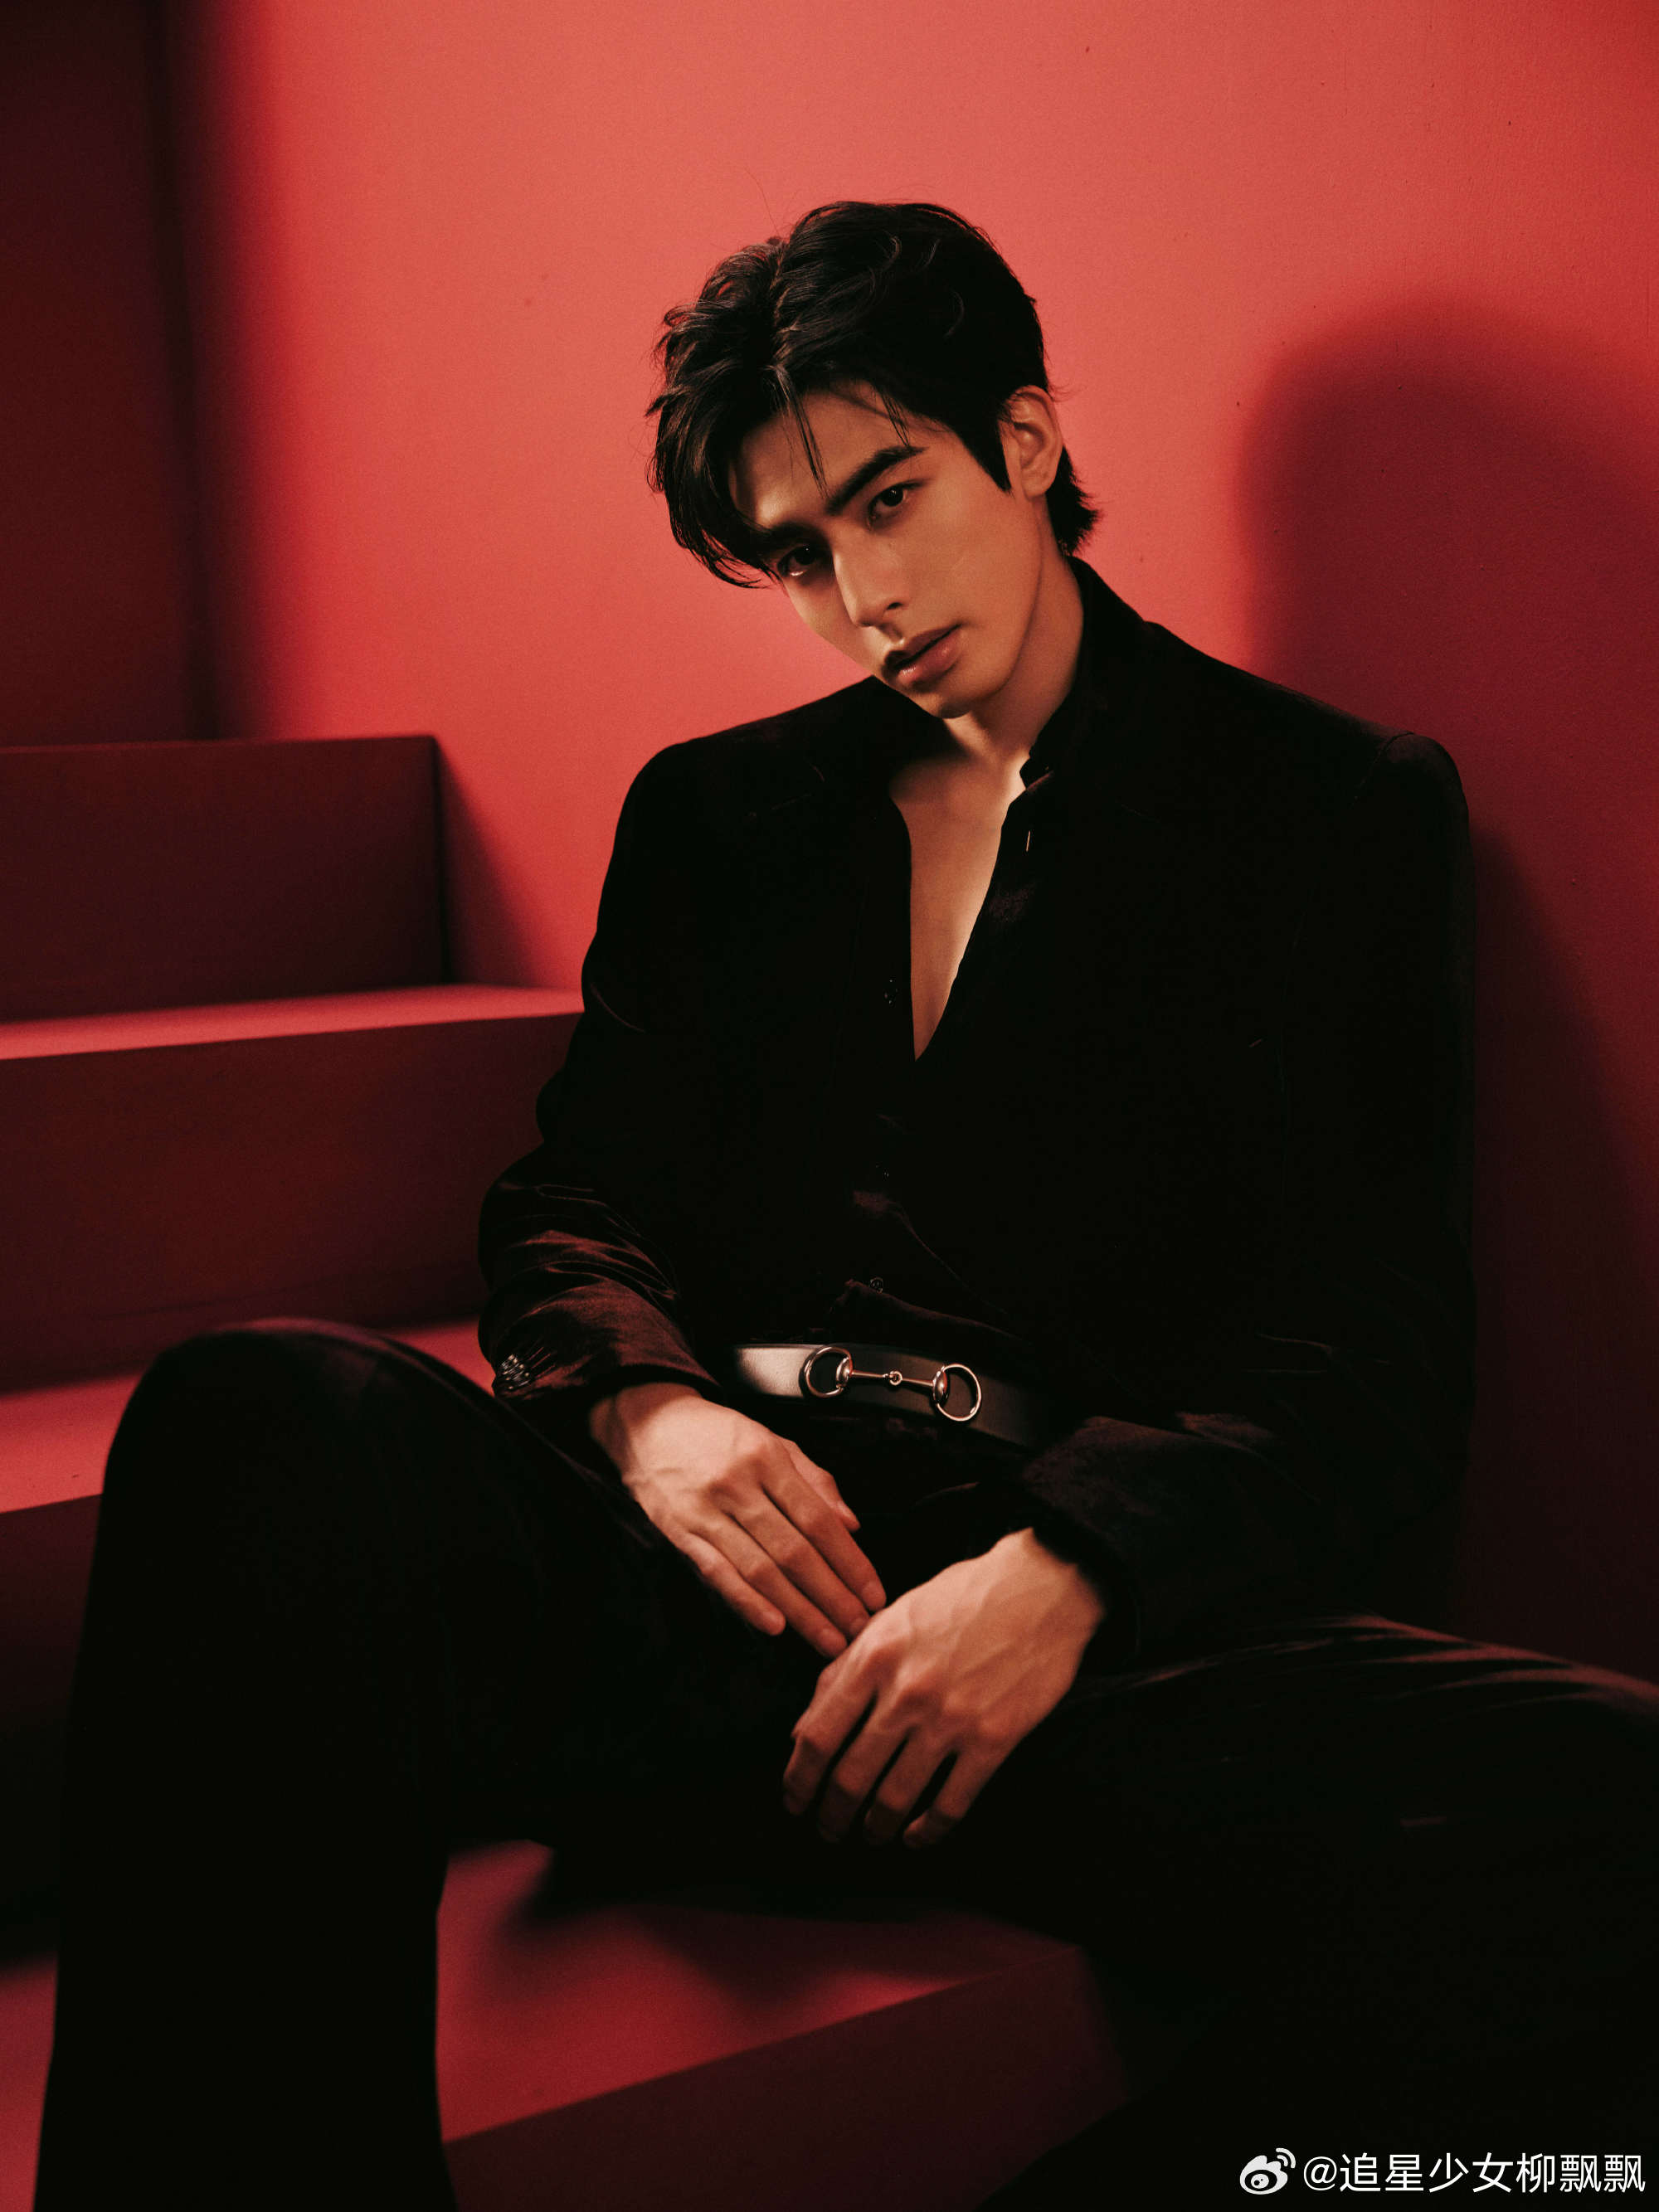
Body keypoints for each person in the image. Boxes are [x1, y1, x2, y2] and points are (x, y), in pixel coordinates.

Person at [35, 202, 1658, 2209]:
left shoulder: (1330, 804)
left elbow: (1370, 1348)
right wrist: (656, 1417)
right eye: (798, 553)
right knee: (254, 1411)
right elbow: (574, 1197)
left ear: (1028, 437)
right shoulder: (715, 815)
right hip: (697, 1595)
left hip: (1052, 1645)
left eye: (891, 498)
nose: (862, 592)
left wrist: (1063, 1573)